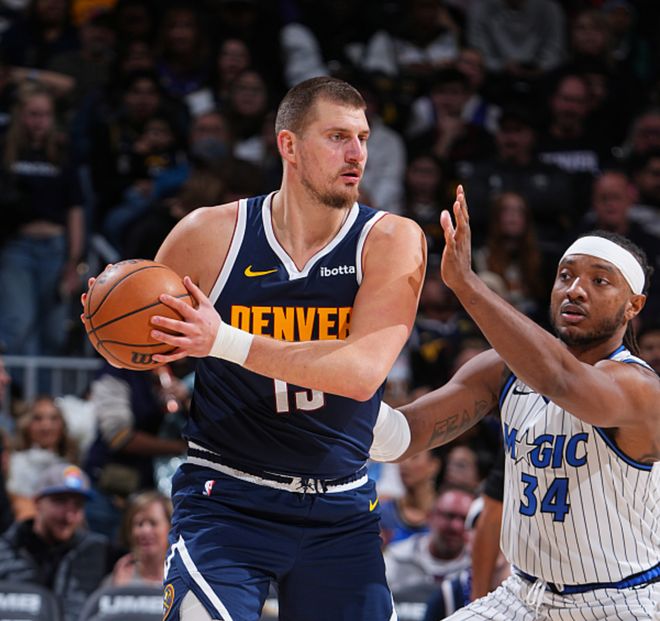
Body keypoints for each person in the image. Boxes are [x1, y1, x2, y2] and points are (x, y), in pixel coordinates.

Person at [84, 76, 426, 620]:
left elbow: (362, 373)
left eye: (363, 138)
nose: (357, 154)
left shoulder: (390, 239)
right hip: (227, 498)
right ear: (289, 145)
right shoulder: (209, 234)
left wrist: (222, 340)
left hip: (340, 506)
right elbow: (142, 338)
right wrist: (115, 335)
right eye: (338, 136)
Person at [377, 185, 659, 619]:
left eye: (599, 281)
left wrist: (467, 285)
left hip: (619, 602)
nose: (575, 290)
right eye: (565, 276)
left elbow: (560, 379)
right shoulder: (503, 370)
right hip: (523, 596)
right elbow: (403, 436)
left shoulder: (640, 388)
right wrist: (323, 398)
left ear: (633, 306)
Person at [0, 462, 117, 621]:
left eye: (78, 505)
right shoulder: (5, 550)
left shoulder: (98, 550)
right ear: (37, 502)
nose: (69, 516)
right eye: (60, 501)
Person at [383, 483, 475, 593]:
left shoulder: (476, 566)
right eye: (449, 516)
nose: (456, 526)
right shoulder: (398, 557)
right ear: (430, 516)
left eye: (464, 519)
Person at [7, 395, 78, 521]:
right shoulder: (13, 463)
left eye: (53, 418)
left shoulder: (70, 466)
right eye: (38, 418)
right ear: (27, 424)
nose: (46, 426)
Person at [107, 490, 172, 587]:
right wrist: (119, 590)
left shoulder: (184, 577)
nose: (145, 531)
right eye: (139, 524)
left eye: (153, 523)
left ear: (170, 528)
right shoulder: (118, 579)